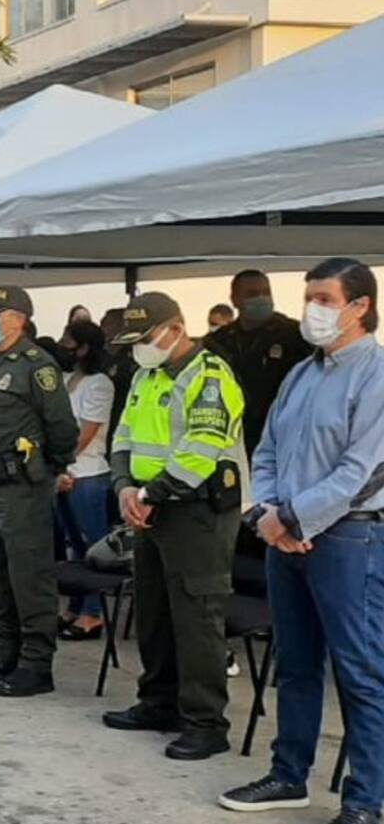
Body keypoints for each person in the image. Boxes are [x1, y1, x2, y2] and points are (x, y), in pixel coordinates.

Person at [222, 258, 384, 824]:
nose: (312, 308)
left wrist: (292, 518)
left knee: (361, 672)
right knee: (294, 663)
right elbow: (265, 449)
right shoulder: (301, 373)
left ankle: (367, 802)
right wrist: (268, 515)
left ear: (359, 306)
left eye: (324, 298)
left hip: (347, 540)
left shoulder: (376, 376)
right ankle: (288, 773)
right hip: (283, 536)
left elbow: (362, 472)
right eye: (309, 296)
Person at [102, 292, 245, 760]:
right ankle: (158, 702)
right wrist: (124, 487)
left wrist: (147, 495)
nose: (139, 349)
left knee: (197, 618)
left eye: (145, 338)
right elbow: (123, 435)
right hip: (148, 508)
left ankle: (205, 722)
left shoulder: (209, 377)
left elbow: (200, 451)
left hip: (196, 512)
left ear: (177, 329)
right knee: (154, 611)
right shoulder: (145, 376)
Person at [0, 286, 78, 697]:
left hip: (23, 487)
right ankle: (5, 650)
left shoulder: (36, 366)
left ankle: (36, 663)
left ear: (18, 320)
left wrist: (48, 469)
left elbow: (62, 428)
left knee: (29, 575)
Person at [204, 270, 309, 456]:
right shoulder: (218, 342)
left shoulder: (294, 335)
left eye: (266, 293)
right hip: (234, 437)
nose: (261, 298)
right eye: (252, 294)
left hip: (281, 436)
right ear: (235, 299)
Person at [55, 320, 115, 640]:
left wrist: (61, 461)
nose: (63, 345)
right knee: (74, 546)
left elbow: (87, 431)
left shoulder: (100, 383)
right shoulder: (66, 379)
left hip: (88, 473)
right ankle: (75, 606)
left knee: (93, 547)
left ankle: (93, 613)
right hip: (64, 472)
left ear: (84, 347)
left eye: (69, 340)